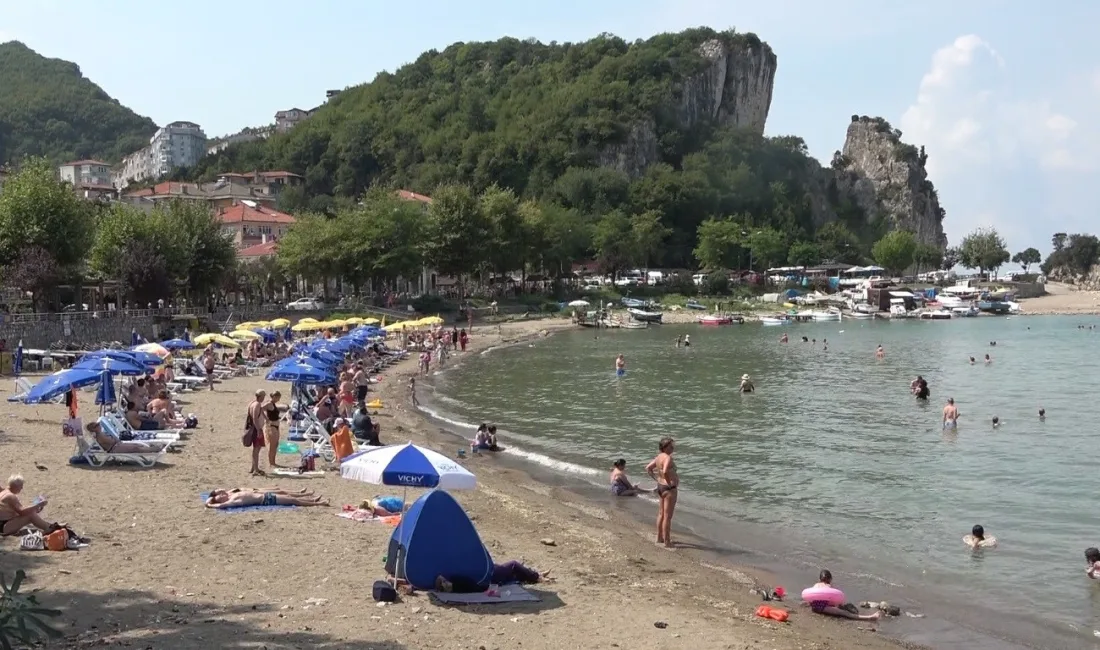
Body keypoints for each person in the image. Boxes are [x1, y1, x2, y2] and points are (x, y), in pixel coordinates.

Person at [806, 570, 882, 621]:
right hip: (821, 608)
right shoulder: (828, 587)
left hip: (814, 607)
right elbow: (829, 600)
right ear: (830, 579)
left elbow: (813, 597)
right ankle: (870, 617)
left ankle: (870, 617)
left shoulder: (816, 585)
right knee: (845, 613)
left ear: (820, 579)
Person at [646, 437, 679, 548]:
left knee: (661, 513)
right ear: (665, 447)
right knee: (667, 516)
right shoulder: (667, 458)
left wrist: (656, 479)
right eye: (671, 446)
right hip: (669, 489)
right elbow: (665, 471)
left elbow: (648, 468)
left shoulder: (659, 457)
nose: (673, 448)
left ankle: (659, 537)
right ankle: (667, 541)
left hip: (660, 486)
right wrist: (669, 483)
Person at [85, 421, 168, 453]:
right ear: (93, 430)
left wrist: (115, 439)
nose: (99, 425)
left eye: (98, 424)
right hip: (114, 449)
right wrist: (114, 438)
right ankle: (156, 449)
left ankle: (155, 447)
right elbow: (112, 441)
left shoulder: (100, 434)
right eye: (96, 425)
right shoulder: (100, 436)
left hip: (116, 446)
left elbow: (113, 440)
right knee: (135, 448)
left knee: (136, 445)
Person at [205, 490, 329, 508]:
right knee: (293, 501)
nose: (222, 495)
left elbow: (217, 490)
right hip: (265, 500)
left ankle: (313, 500)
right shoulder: (230, 501)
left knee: (290, 497)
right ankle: (318, 503)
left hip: (266, 496)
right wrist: (210, 505)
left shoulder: (231, 493)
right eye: (220, 497)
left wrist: (212, 497)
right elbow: (221, 506)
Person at [263, 391, 286, 469]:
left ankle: (273, 462)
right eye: (278, 398)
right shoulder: (269, 404)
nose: (278, 400)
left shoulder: (273, 404)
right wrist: (266, 418)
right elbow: (260, 409)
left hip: (276, 426)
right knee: (272, 446)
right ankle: (271, 463)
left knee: (275, 445)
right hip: (271, 426)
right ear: (274, 397)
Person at [247, 390, 266, 476]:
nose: (264, 398)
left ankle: (253, 467)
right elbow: (255, 418)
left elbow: (260, 412)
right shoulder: (257, 404)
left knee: (256, 449)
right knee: (257, 449)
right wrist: (258, 430)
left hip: (254, 428)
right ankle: (256, 468)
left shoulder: (252, 403)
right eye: (263, 396)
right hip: (256, 429)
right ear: (260, 396)